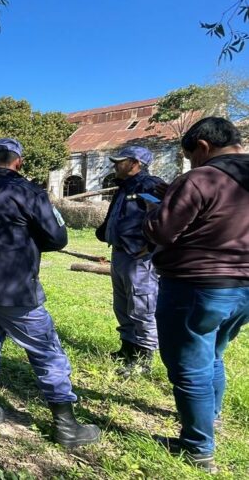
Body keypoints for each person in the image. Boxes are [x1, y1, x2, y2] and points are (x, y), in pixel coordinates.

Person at [0, 138, 100, 446]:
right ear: (18, 162)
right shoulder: (30, 193)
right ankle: (67, 428)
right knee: (46, 352)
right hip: (16, 293)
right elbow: (57, 238)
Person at [143, 117, 248, 472]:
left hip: (196, 285)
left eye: (190, 158)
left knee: (190, 367)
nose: (190, 165)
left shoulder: (201, 178)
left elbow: (161, 231)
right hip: (243, 289)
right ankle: (211, 419)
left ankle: (198, 448)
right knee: (214, 353)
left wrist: (154, 210)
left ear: (202, 146)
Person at [95, 146, 165, 375]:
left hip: (139, 258)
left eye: (120, 161)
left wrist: (151, 245)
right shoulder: (125, 187)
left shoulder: (148, 186)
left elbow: (164, 217)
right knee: (123, 305)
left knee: (141, 306)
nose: (115, 164)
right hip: (120, 254)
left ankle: (143, 359)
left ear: (135, 164)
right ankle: (127, 349)